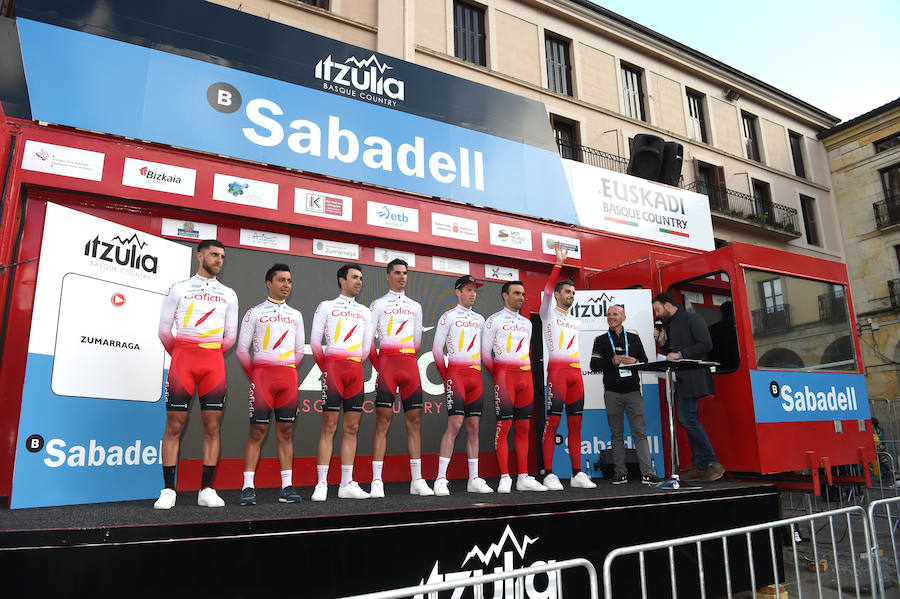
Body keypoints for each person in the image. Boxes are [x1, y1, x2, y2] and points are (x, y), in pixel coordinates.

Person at [155, 239, 238, 509]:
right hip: (184, 360)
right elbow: (165, 332)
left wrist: (209, 353)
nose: (219, 260)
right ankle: (168, 489)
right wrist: (183, 353)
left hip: (213, 362)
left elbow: (231, 336)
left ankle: (207, 489)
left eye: (223, 256)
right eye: (214, 254)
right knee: (174, 425)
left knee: (212, 426)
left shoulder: (229, 293)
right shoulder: (178, 289)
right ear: (200, 255)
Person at [235, 264, 305, 505]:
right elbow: (242, 350)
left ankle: (287, 486)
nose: (286, 285)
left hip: (287, 378)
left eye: (289, 281)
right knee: (257, 432)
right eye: (281, 280)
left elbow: (299, 352)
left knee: (286, 433)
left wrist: (284, 369)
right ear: (269, 283)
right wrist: (256, 375)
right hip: (263, 378)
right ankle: (247, 487)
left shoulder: (296, 314)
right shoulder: (254, 312)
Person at [368, 259, 433, 497]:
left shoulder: (415, 306)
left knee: (414, 422)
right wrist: (381, 367)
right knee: (382, 422)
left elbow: (417, 342)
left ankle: (417, 480)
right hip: (387, 363)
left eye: (405, 273)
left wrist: (405, 360)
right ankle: (376, 480)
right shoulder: (378, 304)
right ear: (388, 276)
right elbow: (368, 342)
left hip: (409, 365)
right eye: (397, 273)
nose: (402, 277)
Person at [310, 264, 374, 501]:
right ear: (341, 280)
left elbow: (366, 348)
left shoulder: (365, 311)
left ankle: (346, 482)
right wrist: (327, 367)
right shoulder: (326, 306)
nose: (359, 282)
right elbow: (315, 343)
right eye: (354, 277)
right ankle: (322, 483)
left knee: (352, 428)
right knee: (329, 426)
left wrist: (353, 363)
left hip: (355, 370)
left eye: (361, 278)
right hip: (333, 369)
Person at [539, 243, 596, 490]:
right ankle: (549, 473)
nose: (571, 295)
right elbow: (548, 289)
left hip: (575, 374)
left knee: (576, 426)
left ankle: (577, 473)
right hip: (557, 374)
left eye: (573, 293)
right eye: (568, 292)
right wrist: (558, 264)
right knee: (552, 424)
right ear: (558, 295)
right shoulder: (547, 313)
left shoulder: (576, 320)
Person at [482, 280, 547, 493]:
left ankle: (523, 476)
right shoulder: (494, 320)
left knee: (524, 428)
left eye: (523, 294)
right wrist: (500, 375)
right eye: (516, 293)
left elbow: (526, 352)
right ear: (505, 295)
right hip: (505, 377)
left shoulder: (527, 323)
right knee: (504, 427)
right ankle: (504, 477)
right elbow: (485, 355)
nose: (521, 297)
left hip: (525, 378)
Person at [431, 275, 493, 495]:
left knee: (474, 427)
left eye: (475, 290)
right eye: (468, 290)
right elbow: (437, 351)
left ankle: (473, 478)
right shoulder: (448, 316)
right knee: (455, 424)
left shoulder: (480, 319)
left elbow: (486, 352)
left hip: (475, 377)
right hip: (455, 374)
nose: (473, 294)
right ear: (458, 292)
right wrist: (446, 376)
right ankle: (440, 478)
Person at [652, 292, 724, 482]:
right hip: (680, 378)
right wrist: (663, 345)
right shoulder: (670, 325)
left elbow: (706, 344)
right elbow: (672, 353)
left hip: (694, 377)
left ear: (668, 306)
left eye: (658, 310)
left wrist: (681, 353)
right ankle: (701, 465)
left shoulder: (692, 318)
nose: (657, 314)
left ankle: (711, 462)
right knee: (687, 418)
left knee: (687, 417)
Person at [589, 304, 663, 485]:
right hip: (612, 393)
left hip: (633, 393)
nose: (611, 317)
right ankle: (620, 473)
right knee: (616, 434)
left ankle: (648, 473)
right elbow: (594, 366)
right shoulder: (601, 340)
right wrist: (611, 361)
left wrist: (635, 360)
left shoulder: (634, 338)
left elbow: (645, 361)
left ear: (624, 317)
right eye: (609, 314)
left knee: (640, 433)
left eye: (615, 314)